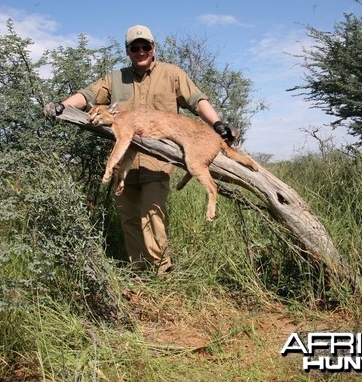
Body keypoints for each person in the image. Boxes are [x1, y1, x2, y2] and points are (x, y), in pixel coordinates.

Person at [44, 25, 236, 274]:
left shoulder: (172, 74)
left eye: (146, 46)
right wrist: (61, 106)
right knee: (129, 218)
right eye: (135, 48)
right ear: (128, 51)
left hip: (157, 163)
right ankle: (137, 273)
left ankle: (162, 272)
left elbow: (196, 101)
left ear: (154, 48)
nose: (141, 51)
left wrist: (218, 124)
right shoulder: (115, 78)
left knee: (152, 215)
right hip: (124, 163)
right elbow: (88, 95)